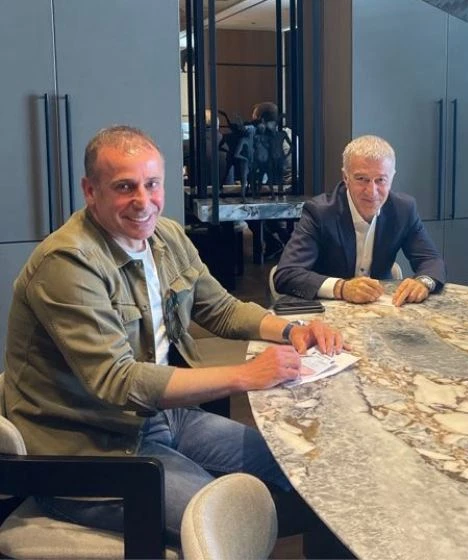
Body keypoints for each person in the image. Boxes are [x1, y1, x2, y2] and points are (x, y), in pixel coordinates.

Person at [2, 125, 349, 556]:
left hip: (164, 418)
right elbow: (118, 380)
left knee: (309, 471)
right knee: (226, 523)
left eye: (152, 184)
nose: (143, 201)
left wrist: (292, 330)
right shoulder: (68, 263)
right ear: (90, 191)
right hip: (91, 450)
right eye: (124, 187)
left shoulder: (165, 236)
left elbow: (221, 309)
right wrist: (246, 375)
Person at [274, 134, 446, 306]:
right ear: (345, 177)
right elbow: (287, 274)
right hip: (328, 312)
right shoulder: (319, 212)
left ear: (392, 178)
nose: (371, 191)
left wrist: (424, 282)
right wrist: (341, 288)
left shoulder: (403, 209)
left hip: (383, 310)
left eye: (381, 180)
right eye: (362, 179)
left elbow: (431, 260)